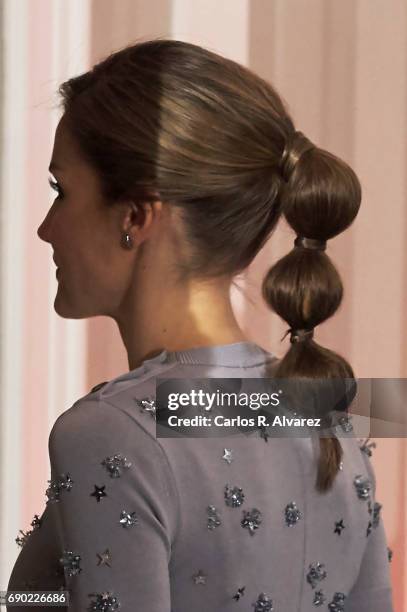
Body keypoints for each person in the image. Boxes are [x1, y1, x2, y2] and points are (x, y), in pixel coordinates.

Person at [7, 39, 394, 611]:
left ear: (135, 216)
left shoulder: (111, 433)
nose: (46, 228)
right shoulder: (328, 408)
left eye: (60, 190)